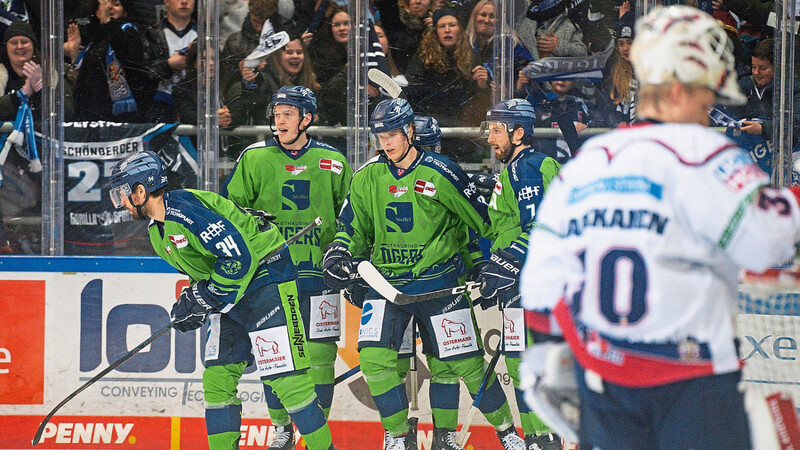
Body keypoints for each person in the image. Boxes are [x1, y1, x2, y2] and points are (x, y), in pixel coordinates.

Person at [519, 6, 800, 448]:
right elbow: (771, 243)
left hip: (605, 381)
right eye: (705, 101)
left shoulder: (588, 164)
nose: (708, 115)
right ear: (675, 89)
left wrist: (550, 352)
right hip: (695, 383)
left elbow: (539, 289)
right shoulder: (704, 156)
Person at [322, 97, 526, 450]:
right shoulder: (367, 176)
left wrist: (494, 260)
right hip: (386, 285)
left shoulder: (441, 171)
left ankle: (508, 433)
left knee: (468, 366)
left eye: (392, 135)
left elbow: (480, 222)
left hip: (440, 285)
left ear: (410, 131)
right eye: (380, 135)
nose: (386, 143)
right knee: (373, 360)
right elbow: (353, 228)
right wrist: (340, 250)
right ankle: (399, 436)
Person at [107, 150, 336, 450]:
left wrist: (207, 295)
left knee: (287, 380)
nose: (120, 202)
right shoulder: (156, 232)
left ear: (141, 190)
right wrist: (194, 301)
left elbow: (238, 257)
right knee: (217, 379)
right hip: (231, 293)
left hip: (265, 279)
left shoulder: (186, 210)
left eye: (122, 193)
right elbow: (202, 270)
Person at [221, 86, 353, 450]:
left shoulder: (334, 161)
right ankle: (281, 429)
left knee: (321, 358)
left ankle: (315, 434)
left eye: (288, 114)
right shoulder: (254, 158)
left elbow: (352, 218)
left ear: (306, 118)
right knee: (277, 356)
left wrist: (347, 258)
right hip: (273, 279)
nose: (279, 121)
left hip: (320, 277)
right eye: (276, 113)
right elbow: (229, 215)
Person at [475, 98, 563, 450]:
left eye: (497, 131)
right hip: (520, 282)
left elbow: (540, 226)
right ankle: (537, 438)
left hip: (535, 283)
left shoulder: (527, 168)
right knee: (517, 363)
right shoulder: (514, 169)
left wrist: (507, 260)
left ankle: (546, 438)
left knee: (528, 364)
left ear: (519, 132)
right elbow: (510, 224)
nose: (490, 138)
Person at [65, 0, 151, 122]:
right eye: (104, 5)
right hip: (91, 114)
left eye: (116, 4)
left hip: (118, 118)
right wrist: (74, 53)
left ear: (125, 12)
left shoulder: (129, 32)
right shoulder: (95, 40)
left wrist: (107, 21)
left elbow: (128, 56)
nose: (109, 8)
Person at [142, 0, 198, 123]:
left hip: (193, 107)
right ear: (166, 2)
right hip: (160, 108)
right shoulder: (151, 34)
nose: (184, 2)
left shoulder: (204, 34)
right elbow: (142, 73)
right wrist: (168, 65)